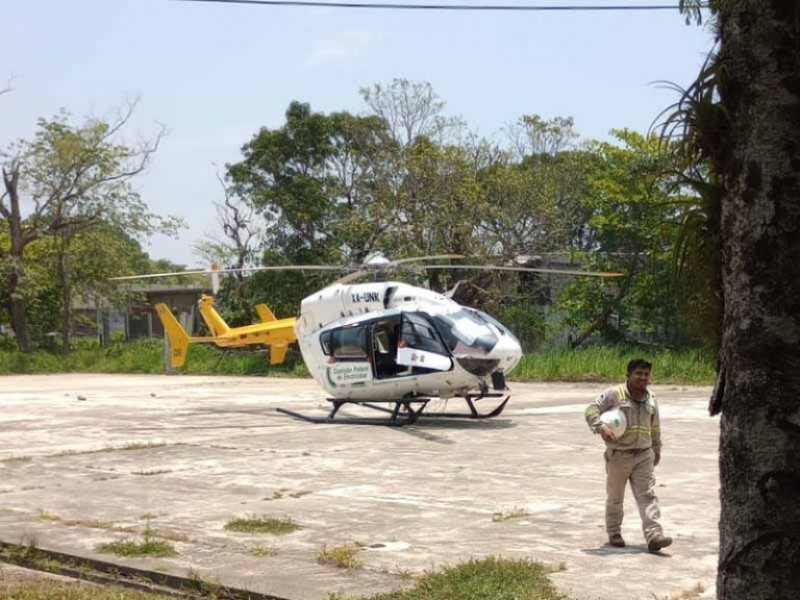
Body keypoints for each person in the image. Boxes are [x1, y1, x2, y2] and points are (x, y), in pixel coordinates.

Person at [584, 358, 673, 552]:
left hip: (643, 456)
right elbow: (591, 409)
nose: (642, 378)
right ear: (628, 375)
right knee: (616, 498)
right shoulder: (615, 394)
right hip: (619, 456)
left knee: (648, 496)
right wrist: (600, 428)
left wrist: (656, 448)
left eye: (646, 374)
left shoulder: (651, 398)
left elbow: (655, 426)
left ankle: (654, 536)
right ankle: (614, 532)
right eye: (638, 374)